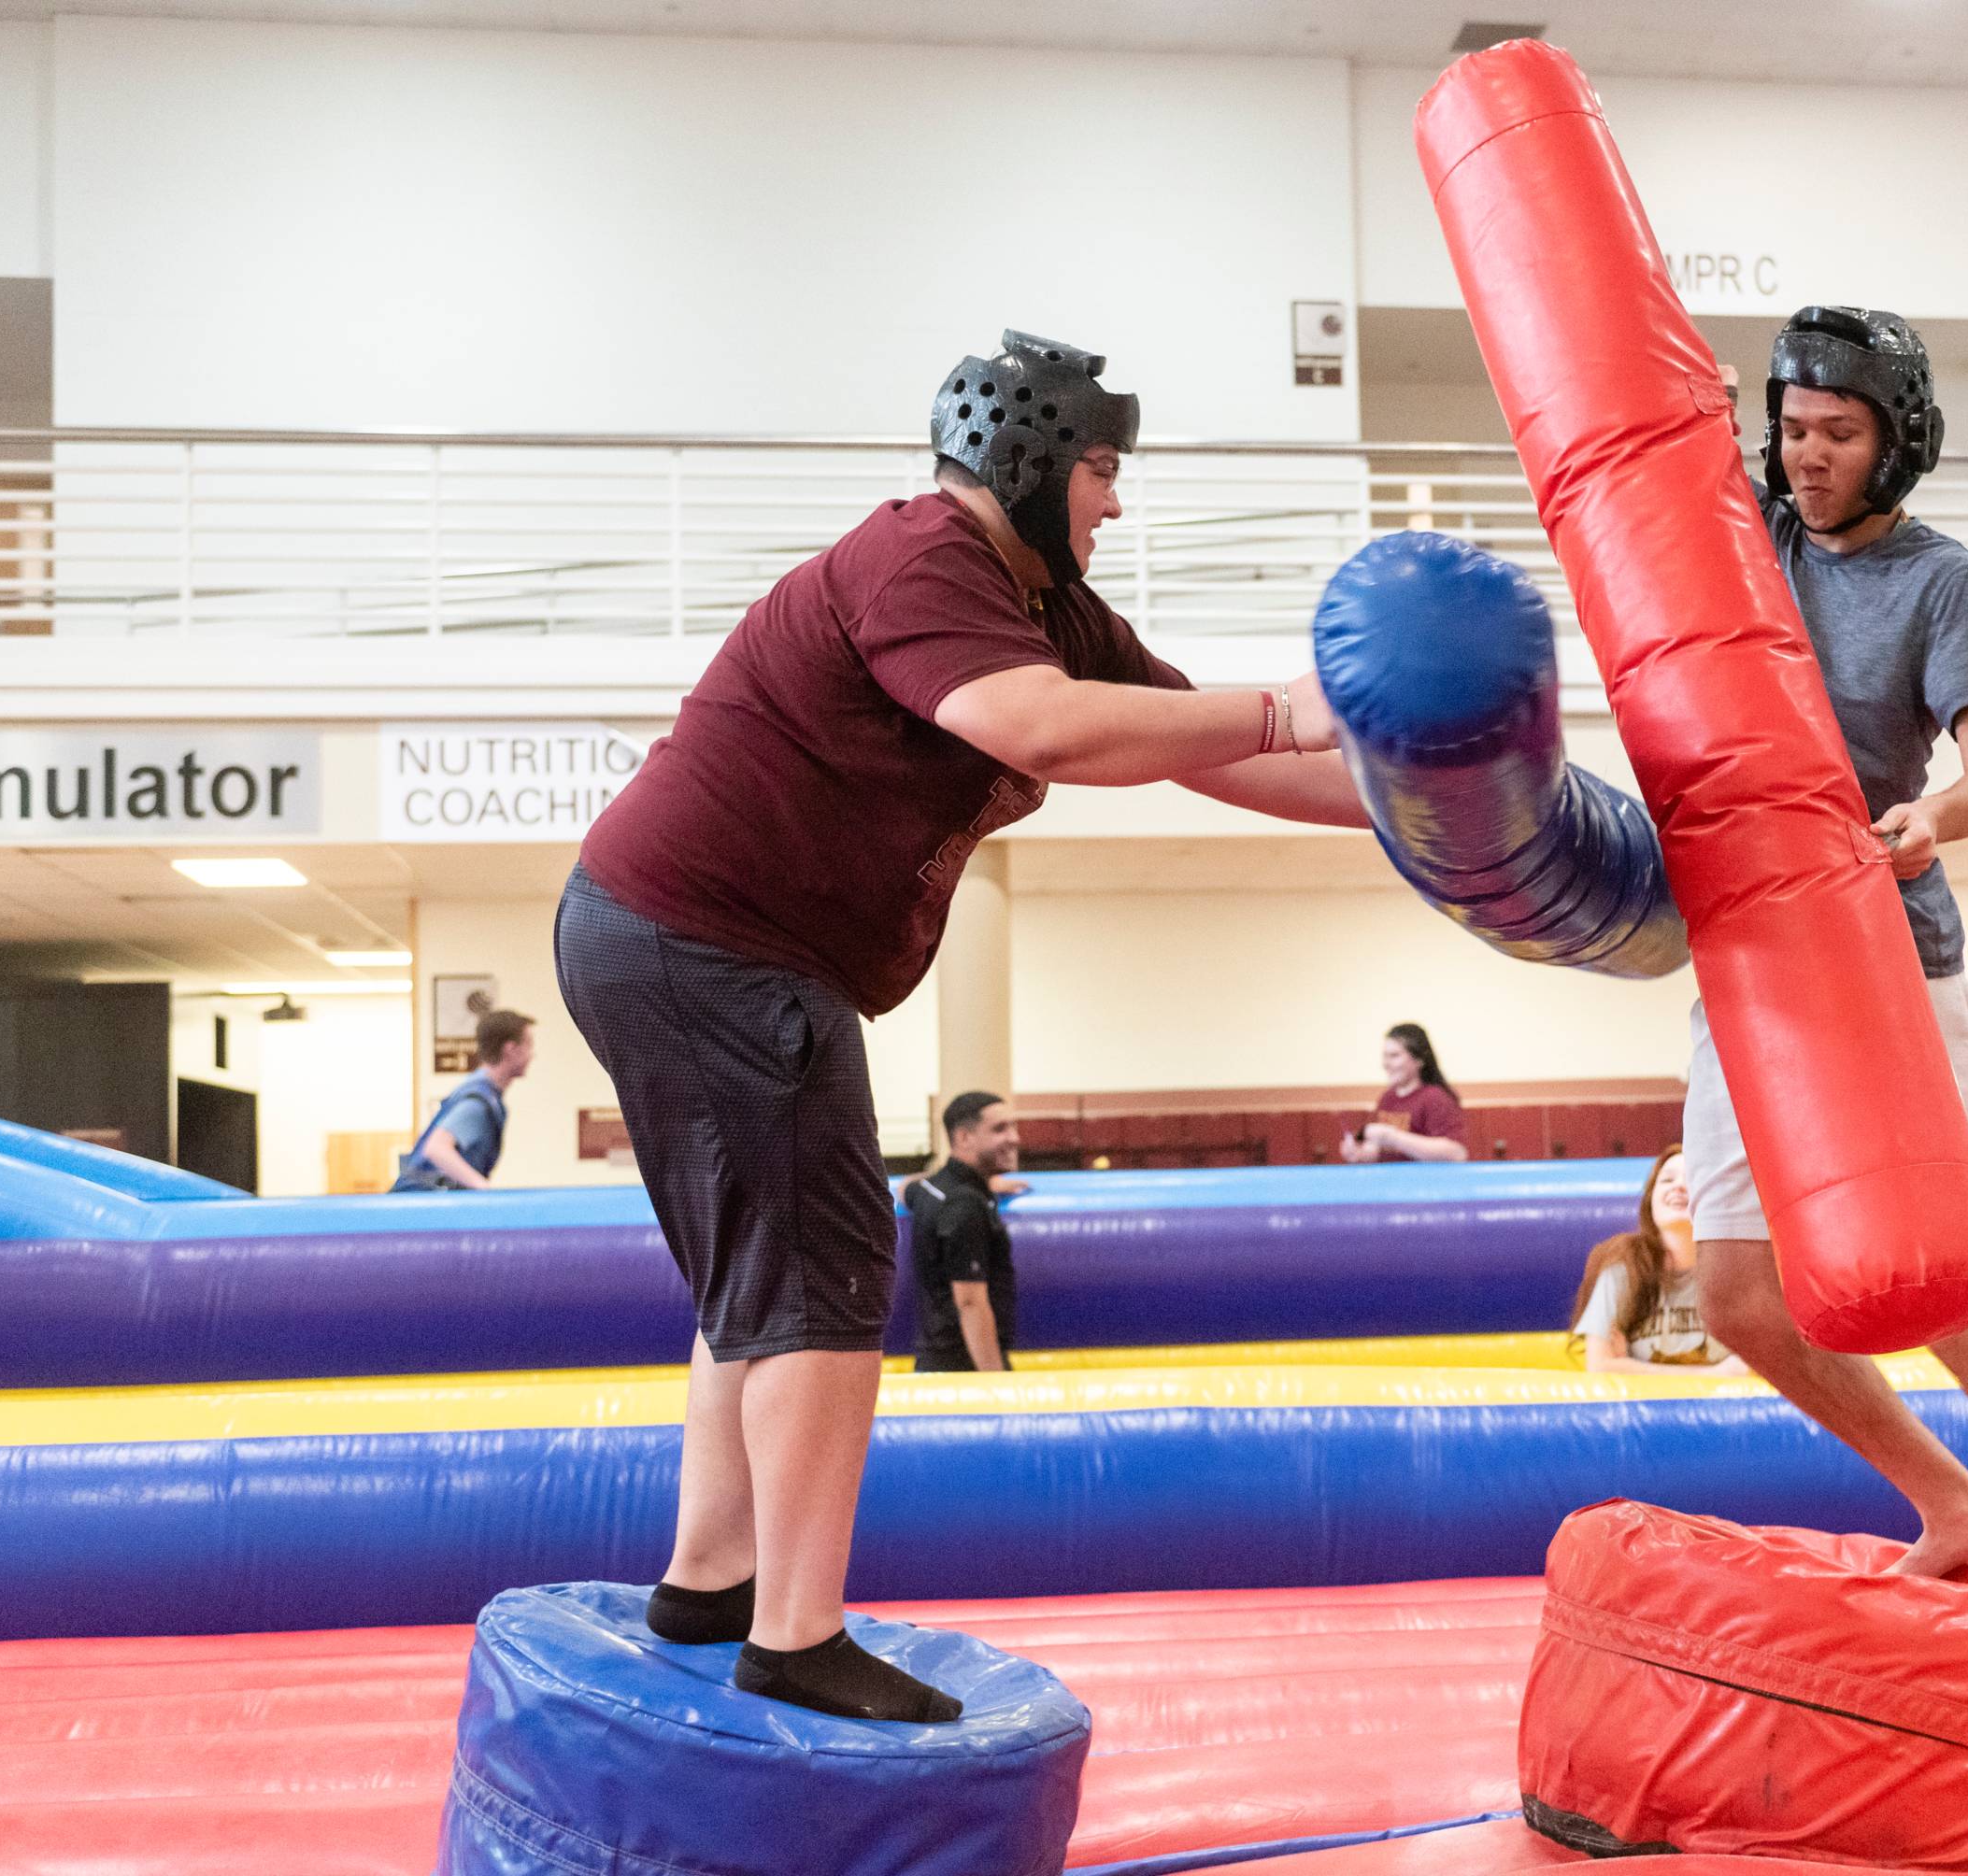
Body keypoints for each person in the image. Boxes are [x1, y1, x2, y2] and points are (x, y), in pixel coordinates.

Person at [555, 331, 1368, 1723]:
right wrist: (1292, 703)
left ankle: (712, 1577)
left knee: (766, 1266)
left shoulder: (1046, 602)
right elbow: (1046, 732)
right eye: (1105, 471)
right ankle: (795, 1632)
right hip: (712, 941)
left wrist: (1433, 830)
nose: (1116, 503)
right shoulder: (926, 557)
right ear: (1034, 457)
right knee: (824, 1264)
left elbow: (1210, 749)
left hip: (665, 935)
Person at [1686, 306, 1968, 1643]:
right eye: (1792, 429)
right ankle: (1952, 1501)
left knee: (1944, 1296)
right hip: (1755, 954)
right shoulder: (1755, 539)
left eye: (1838, 433)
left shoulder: (1945, 584)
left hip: (1892, 956)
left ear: (1897, 443)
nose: (1809, 455)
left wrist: (1938, 814)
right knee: (1735, 1296)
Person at [1572, 1145, 1747, 1374]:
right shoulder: (1624, 1268)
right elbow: (1599, 1367)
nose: (1679, 1186)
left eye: (1692, 1178)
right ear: (1650, 1202)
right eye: (1667, 1180)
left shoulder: (1738, 1271)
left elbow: (1757, 1368)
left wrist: (1633, 1369)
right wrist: (1716, 1374)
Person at [905, 1091, 1023, 1373]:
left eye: (1013, 1127)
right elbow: (970, 1303)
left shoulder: (930, 1190)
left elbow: (907, 1187)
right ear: (964, 1138)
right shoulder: (966, 1204)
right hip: (964, 1367)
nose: (1014, 1138)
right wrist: (996, 1386)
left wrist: (986, 1184)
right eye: (999, 1129)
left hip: (936, 1359)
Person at [389, 1009, 534, 1191]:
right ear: (510, 1049)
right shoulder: (477, 1103)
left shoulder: (480, 1093)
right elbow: (436, 1148)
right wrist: (484, 1189)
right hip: (420, 1211)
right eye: (529, 1045)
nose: (532, 1055)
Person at [1340, 1022, 1470, 1163]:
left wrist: (1393, 1138)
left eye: (1394, 1056)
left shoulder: (1435, 1098)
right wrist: (1359, 1154)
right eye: (1385, 1056)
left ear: (1419, 1060)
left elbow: (1456, 1153)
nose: (1386, 1063)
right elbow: (1377, 1150)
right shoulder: (1387, 1098)